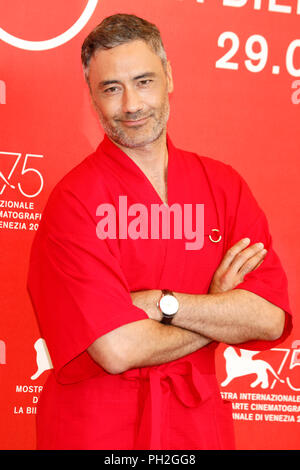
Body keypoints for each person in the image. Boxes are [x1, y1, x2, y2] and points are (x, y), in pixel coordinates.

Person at [27, 14, 292, 450]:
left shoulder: (223, 186)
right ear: (93, 97)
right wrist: (218, 310)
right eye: (111, 89)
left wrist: (159, 304)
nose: (131, 104)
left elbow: (268, 317)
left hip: (197, 428)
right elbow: (118, 348)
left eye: (144, 81)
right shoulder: (73, 203)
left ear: (169, 77)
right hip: (96, 431)